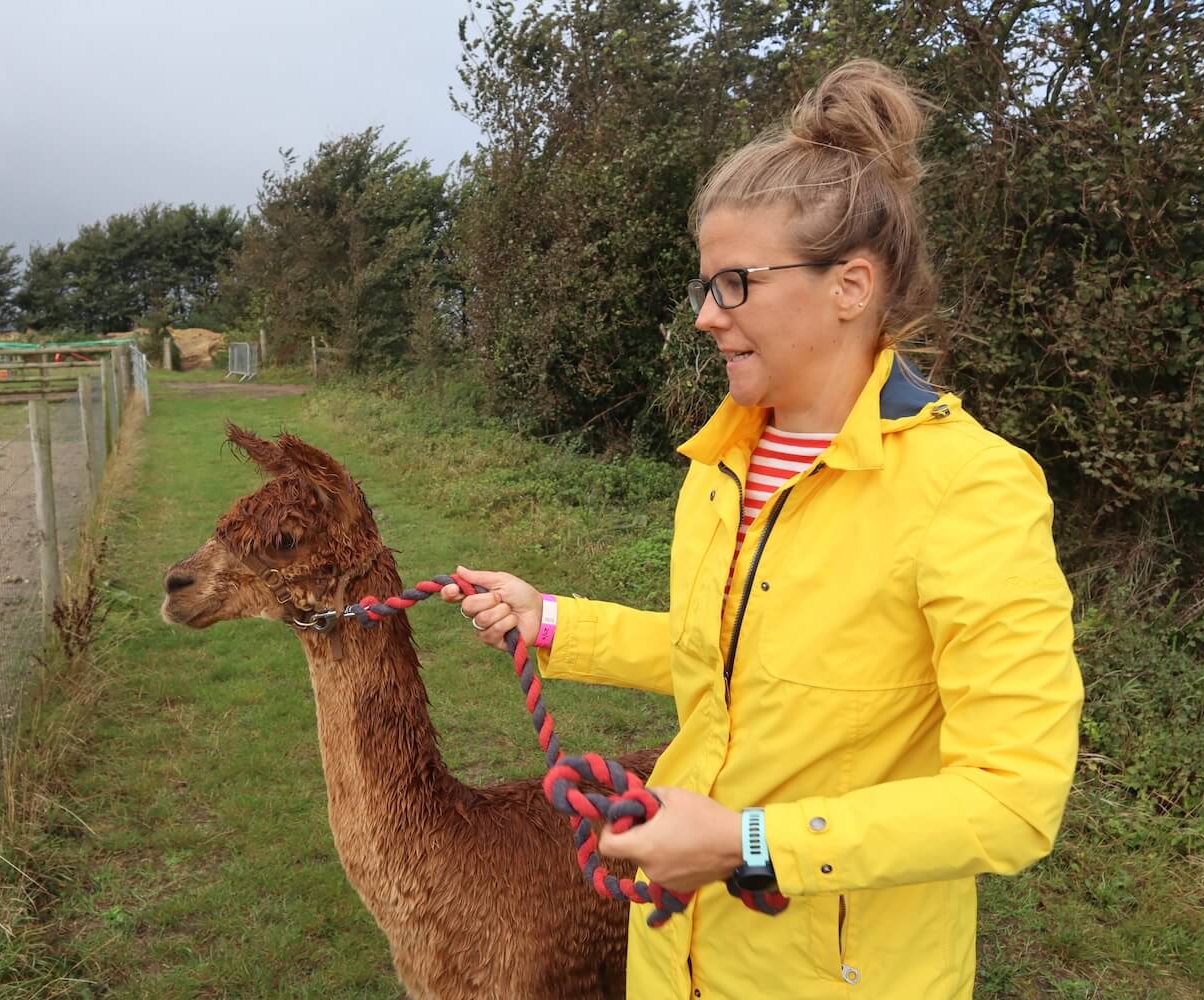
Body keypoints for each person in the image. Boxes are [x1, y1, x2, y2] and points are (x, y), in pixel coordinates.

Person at [443, 59, 1082, 999]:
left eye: (735, 283)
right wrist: (548, 621)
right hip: (675, 960)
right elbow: (731, 663)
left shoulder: (971, 488)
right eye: (705, 285)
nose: (706, 316)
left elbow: (1014, 799)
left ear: (851, 286)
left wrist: (749, 846)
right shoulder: (719, 463)